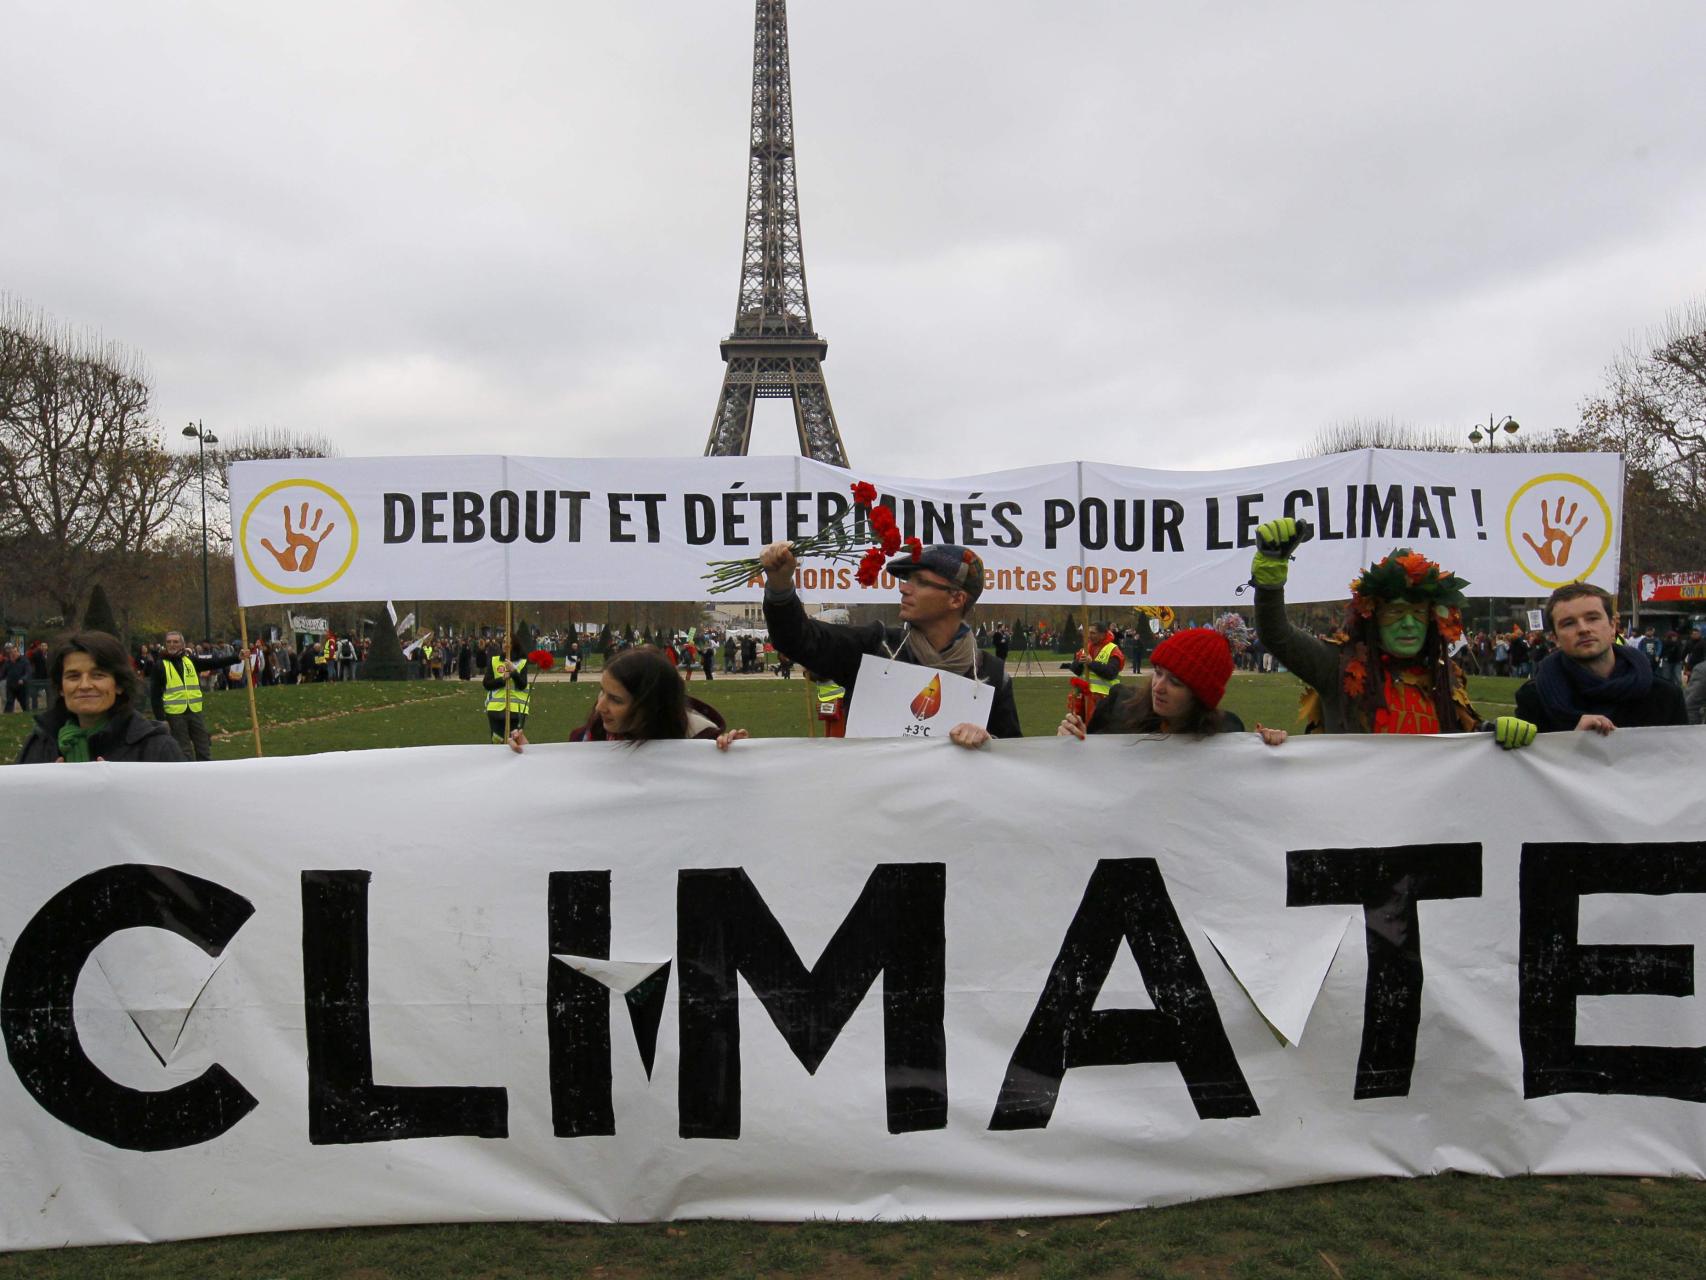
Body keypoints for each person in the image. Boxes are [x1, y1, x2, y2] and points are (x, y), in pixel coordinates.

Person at [1249, 519, 1536, 748]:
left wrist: (1493, 732)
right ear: (1373, 619)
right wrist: (1270, 578)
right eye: (1396, 613)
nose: (1409, 624)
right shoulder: (1337, 665)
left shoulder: (1445, 675)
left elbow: (1466, 735)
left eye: (1419, 614)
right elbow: (1278, 636)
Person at [759, 540, 1019, 748]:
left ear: (956, 599)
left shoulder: (991, 675)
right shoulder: (876, 648)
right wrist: (780, 586)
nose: (905, 589)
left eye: (920, 582)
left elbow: (1014, 762)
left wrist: (989, 744)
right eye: (906, 580)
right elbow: (797, 639)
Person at [1057, 627, 1287, 745]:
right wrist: (1073, 741)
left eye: (1175, 682)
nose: (1158, 687)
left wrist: (1267, 745)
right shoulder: (1117, 706)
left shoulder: (1227, 731)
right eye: (1158, 672)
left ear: (1201, 695)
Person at [1513, 583, 1687, 733]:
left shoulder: (1665, 696)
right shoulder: (1535, 699)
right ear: (1555, 638)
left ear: (1612, 627)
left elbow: (1679, 764)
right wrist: (1572, 741)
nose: (1583, 629)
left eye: (1592, 618)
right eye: (1568, 623)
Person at [509, 647, 745, 750]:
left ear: (652, 707)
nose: (600, 706)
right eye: (602, 691)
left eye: (616, 700)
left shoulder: (703, 741)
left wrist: (738, 755)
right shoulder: (587, 739)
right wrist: (533, 763)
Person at [16, 631, 184, 763]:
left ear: (119, 685)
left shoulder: (156, 748)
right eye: (73, 676)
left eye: (98, 675)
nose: (85, 685)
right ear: (61, 688)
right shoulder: (39, 745)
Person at [149, 630, 228, 761]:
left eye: (175, 642)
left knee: (203, 747)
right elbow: (155, 695)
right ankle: (188, 778)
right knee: (184, 751)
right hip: (175, 715)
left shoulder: (190, 661)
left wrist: (238, 658)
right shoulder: (160, 665)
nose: (172, 645)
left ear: (182, 644)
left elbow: (214, 662)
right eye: (169, 642)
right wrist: (161, 719)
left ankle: (207, 776)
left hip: (194, 710)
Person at [1061, 621, 1124, 721]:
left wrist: (1091, 663)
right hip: (1084, 697)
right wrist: (1079, 662)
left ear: (1103, 634)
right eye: (1088, 633)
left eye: (1093, 633)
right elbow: (1075, 670)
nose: (1089, 636)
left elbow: (1111, 673)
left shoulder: (1113, 650)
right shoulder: (1086, 648)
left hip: (1104, 699)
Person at [483, 637, 531, 744]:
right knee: (497, 742)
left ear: (515, 645)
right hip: (495, 710)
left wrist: (514, 672)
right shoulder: (495, 661)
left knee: (515, 743)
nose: (505, 645)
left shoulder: (522, 662)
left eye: (509, 643)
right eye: (504, 642)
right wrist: (502, 679)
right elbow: (486, 684)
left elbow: (522, 685)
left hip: (516, 711)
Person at [2, 643, 29, 713]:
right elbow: (2, 673)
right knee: (9, 702)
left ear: (18, 652)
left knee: (24, 704)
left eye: (15, 652)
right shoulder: (8, 662)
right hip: (10, 686)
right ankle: (7, 717)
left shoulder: (24, 661)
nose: (13, 654)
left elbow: (28, 672)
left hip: (21, 686)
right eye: (11, 653)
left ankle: (27, 714)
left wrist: (23, 679)